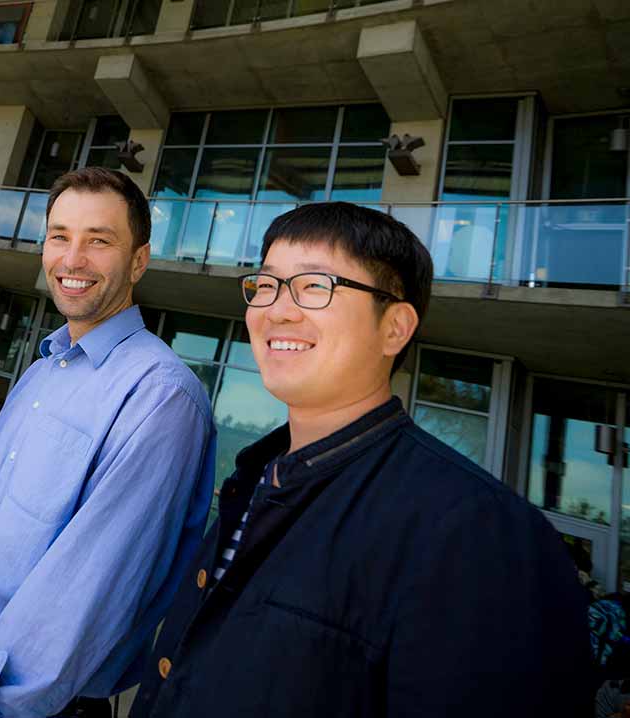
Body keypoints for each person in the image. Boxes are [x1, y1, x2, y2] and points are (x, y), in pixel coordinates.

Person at [128, 202, 589, 718]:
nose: (277, 309)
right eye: (266, 284)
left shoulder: (478, 535)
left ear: (394, 327)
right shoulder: (255, 481)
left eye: (314, 286)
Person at [0, 167, 217, 718]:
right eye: (60, 236)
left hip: (19, 706)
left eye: (99, 241)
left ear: (139, 261)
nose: (72, 258)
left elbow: (89, 594)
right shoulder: (40, 373)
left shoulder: (162, 396)